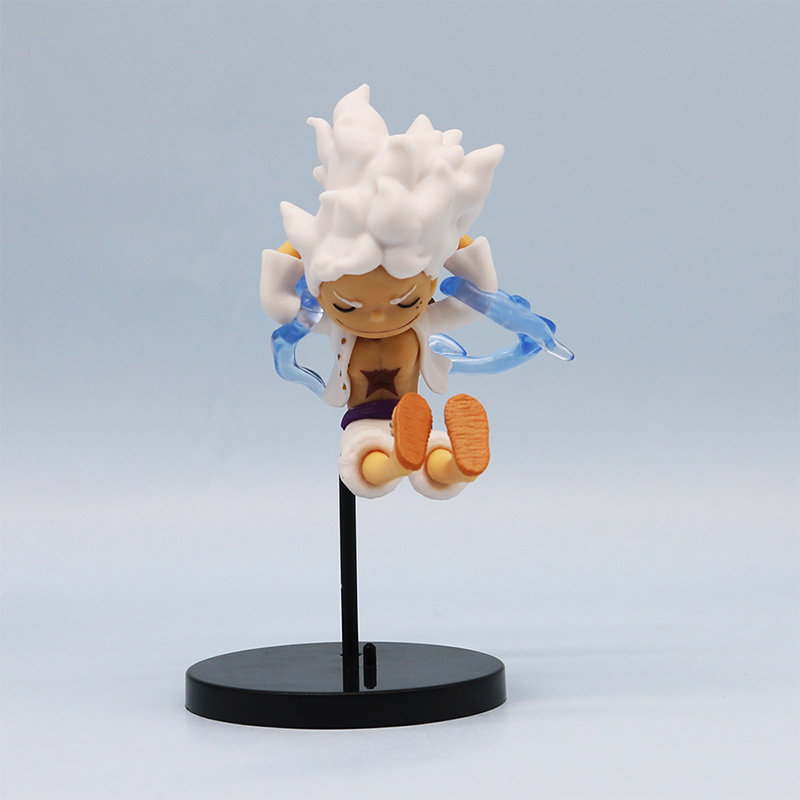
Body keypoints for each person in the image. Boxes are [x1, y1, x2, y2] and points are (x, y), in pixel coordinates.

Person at [261, 85, 504, 499]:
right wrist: (303, 247)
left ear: (427, 286)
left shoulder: (416, 320)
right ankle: (404, 461)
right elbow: (281, 306)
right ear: (324, 294)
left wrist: (447, 238)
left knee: (419, 454)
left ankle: (456, 464)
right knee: (367, 457)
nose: (376, 316)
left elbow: (477, 298)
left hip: (416, 415)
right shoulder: (335, 326)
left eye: (406, 301)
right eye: (346, 306)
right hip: (366, 414)